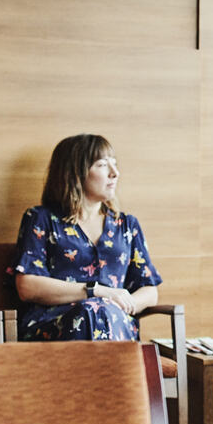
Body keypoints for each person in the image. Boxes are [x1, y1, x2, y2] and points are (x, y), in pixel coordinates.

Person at [13, 133, 162, 342]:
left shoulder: (127, 225)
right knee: (91, 312)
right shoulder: (41, 219)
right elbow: (27, 286)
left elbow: (149, 289)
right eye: (102, 165)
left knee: (101, 313)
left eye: (115, 164)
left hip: (115, 323)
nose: (115, 173)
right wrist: (96, 292)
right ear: (75, 173)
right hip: (56, 325)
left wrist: (122, 303)